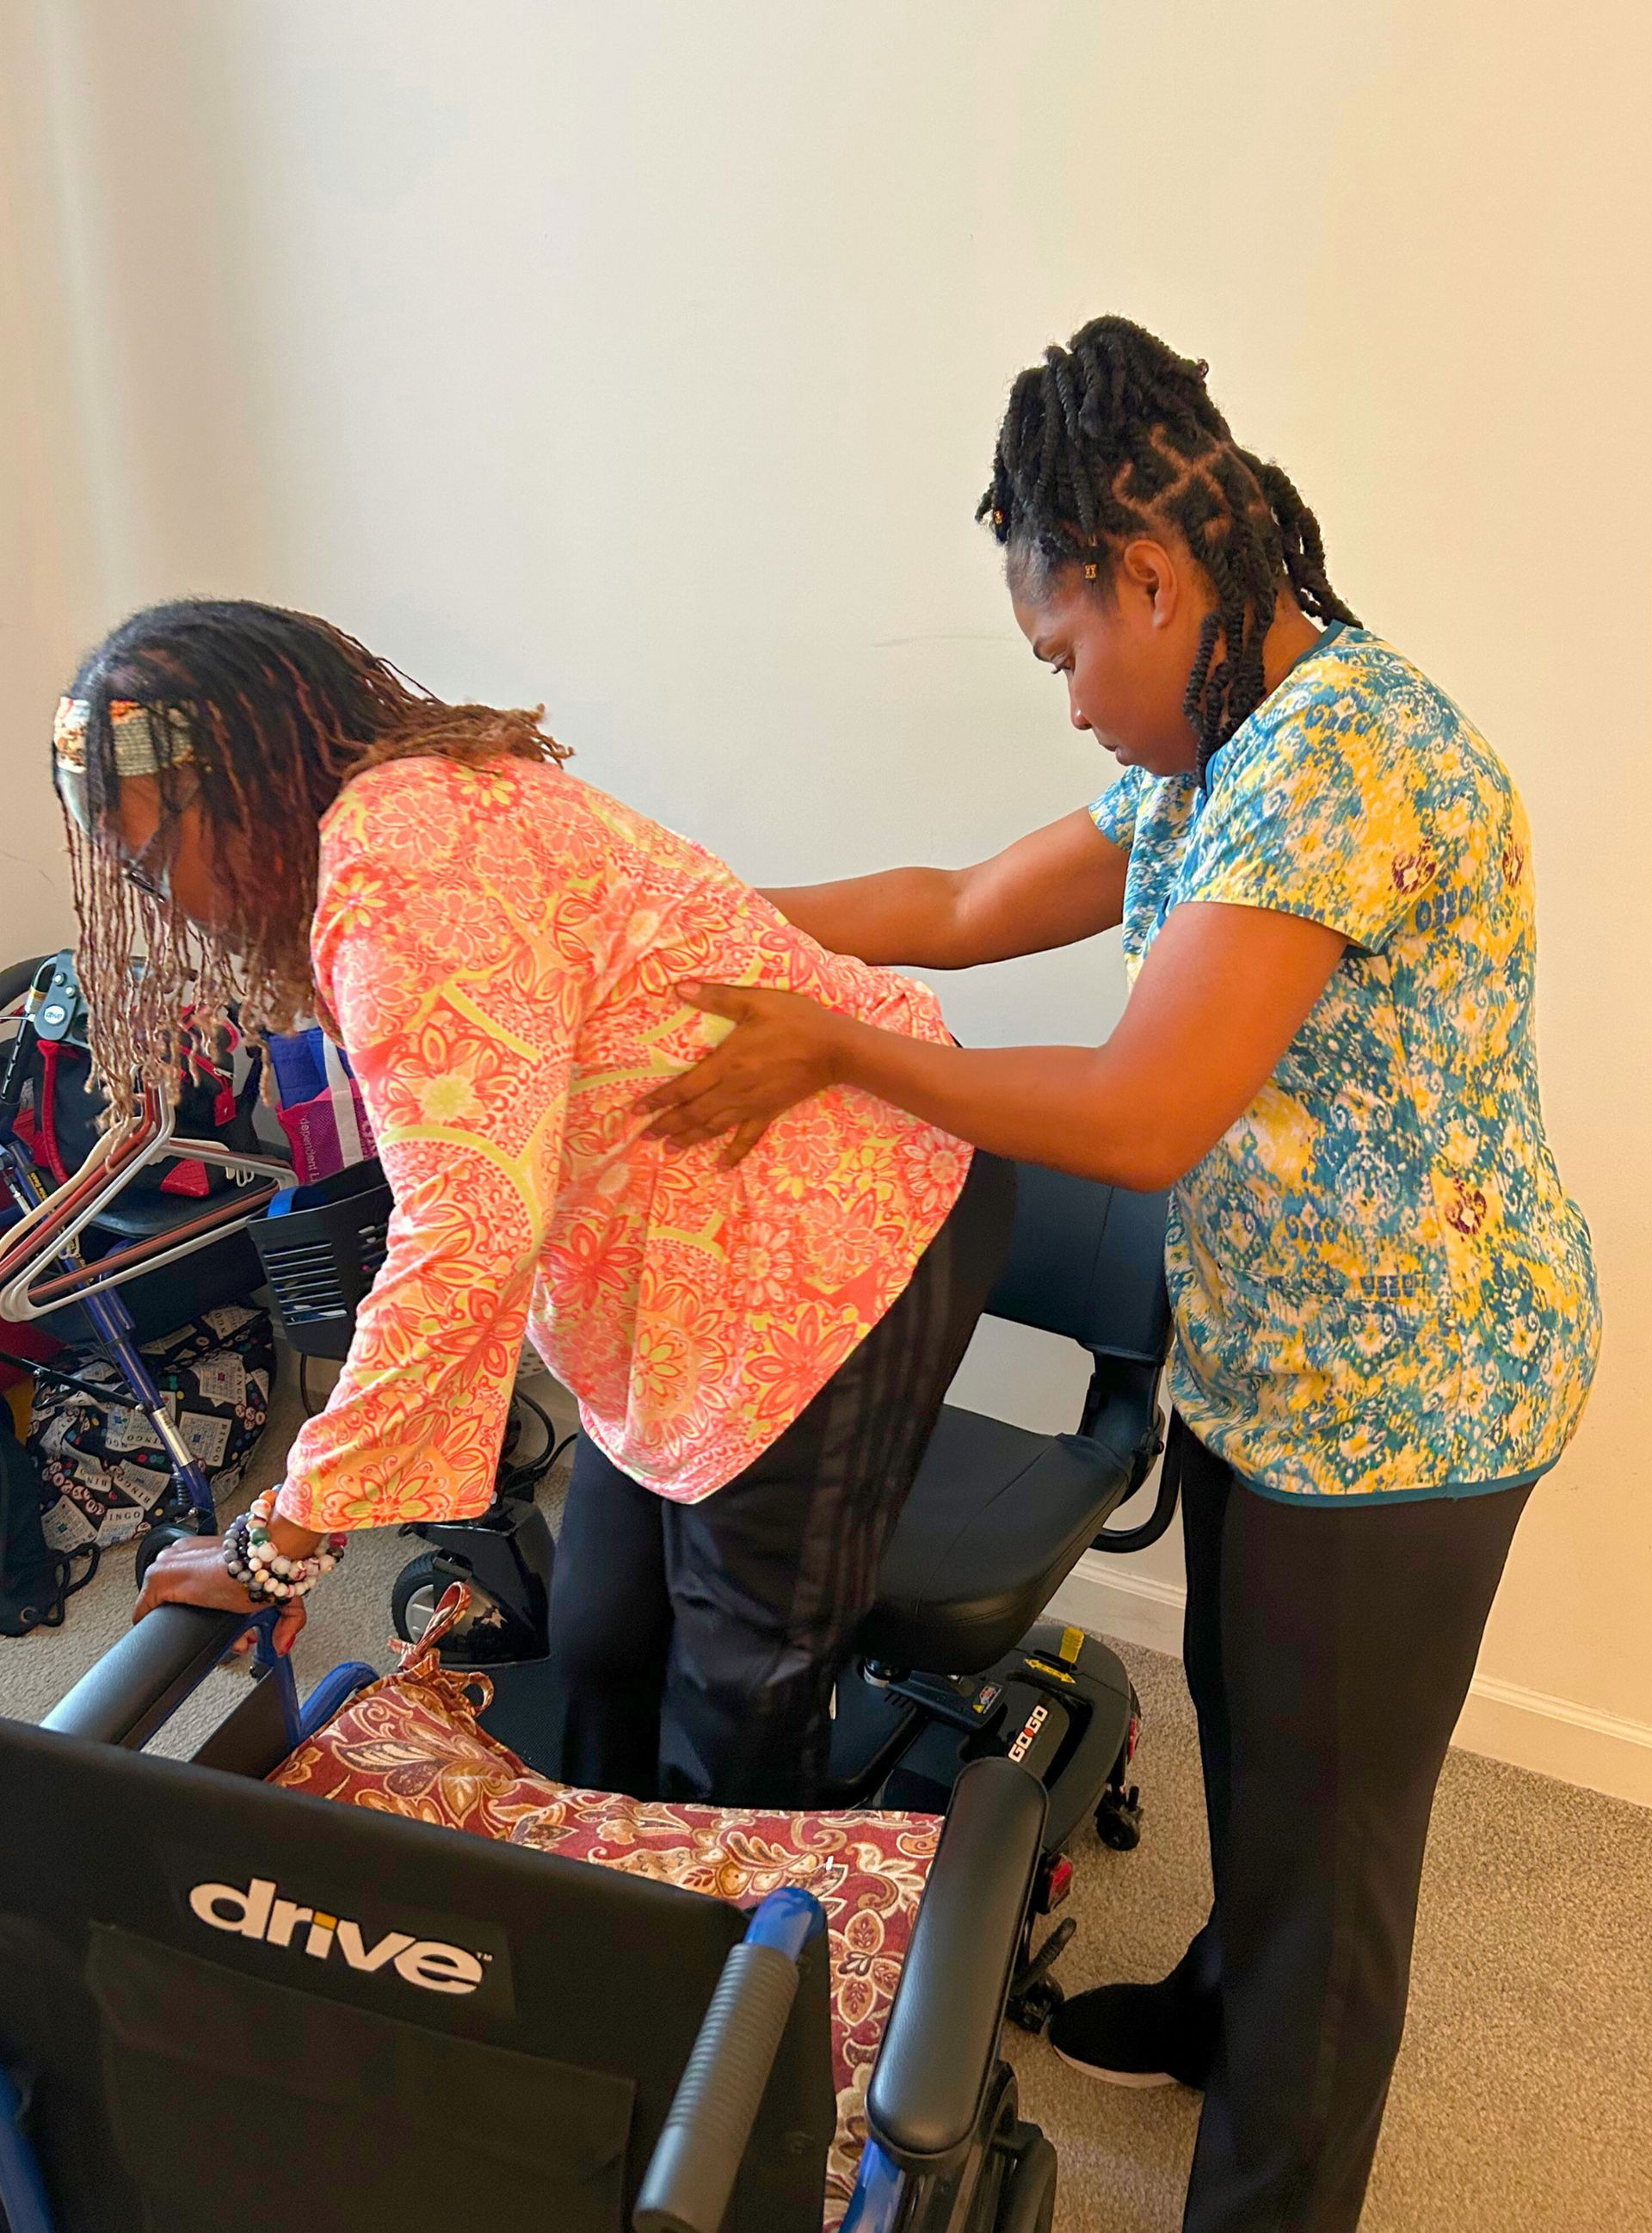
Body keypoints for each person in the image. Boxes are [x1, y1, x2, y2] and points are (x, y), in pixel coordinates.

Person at [637, 316, 1601, 2231]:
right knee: (1257, 1737)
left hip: (1414, 1403)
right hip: (1277, 1364)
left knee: (1335, 1857)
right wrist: (681, 921)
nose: (1070, 699)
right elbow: (966, 906)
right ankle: (1215, 1999)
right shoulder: (1213, 744)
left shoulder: (1346, 759)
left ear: (1150, 578)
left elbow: (1145, 1111)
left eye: (1068, 647)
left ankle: (1271, 2175)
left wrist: (838, 1047)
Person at [55, 598, 1015, 1808]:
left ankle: (750, 1964)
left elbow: (466, 1239)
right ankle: (612, 1907)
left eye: (153, 855)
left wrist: (281, 1544)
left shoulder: (399, 863)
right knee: (606, 1638)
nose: (168, 896)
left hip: (842, 1230)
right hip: (676, 1257)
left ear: (237, 782)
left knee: (739, 1699)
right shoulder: (409, 798)